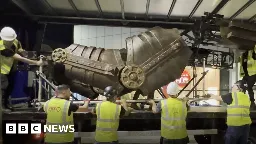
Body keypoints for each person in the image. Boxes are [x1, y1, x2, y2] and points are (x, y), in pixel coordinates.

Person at [0, 26, 43, 111]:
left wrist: (31, 56)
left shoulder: (16, 41)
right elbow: (19, 58)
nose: (11, 41)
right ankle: (2, 107)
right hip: (2, 70)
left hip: (12, 69)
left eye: (12, 40)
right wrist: (36, 62)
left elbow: (21, 50)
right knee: (4, 87)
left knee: (10, 86)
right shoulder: (2, 47)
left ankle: (6, 104)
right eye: (8, 41)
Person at [206, 80, 251, 144]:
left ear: (239, 88)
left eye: (234, 86)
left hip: (235, 126)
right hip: (246, 127)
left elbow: (218, 98)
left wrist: (210, 95)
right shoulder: (246, 97)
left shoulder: (233, 95)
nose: (232, 87)